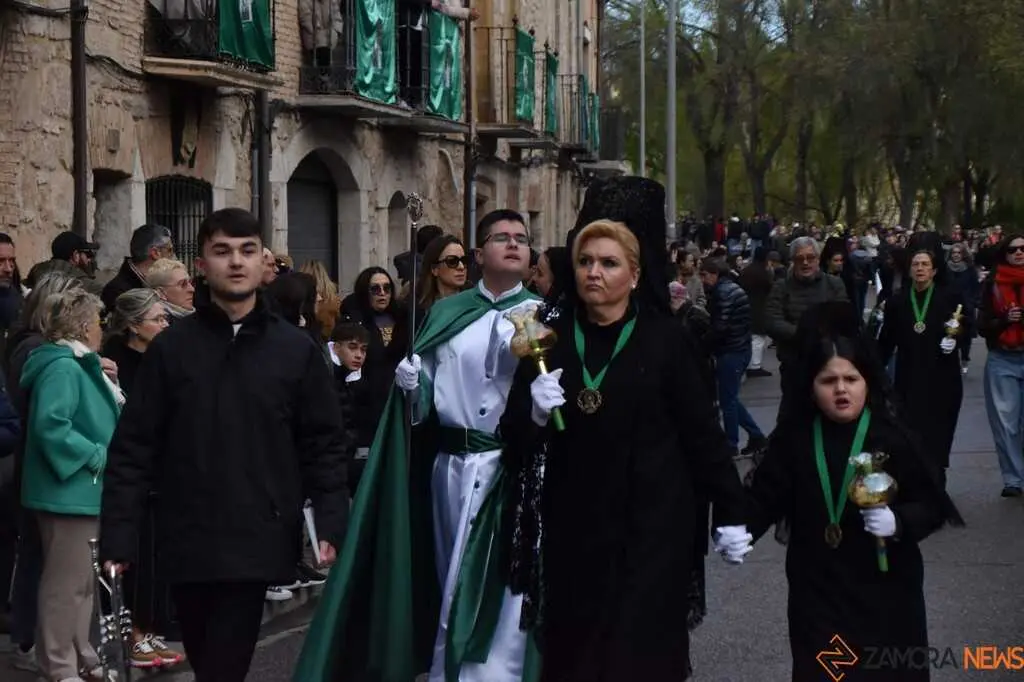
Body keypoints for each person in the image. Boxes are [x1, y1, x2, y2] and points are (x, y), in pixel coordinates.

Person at [499, 177, 751, 682]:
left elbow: (703, 436)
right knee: (578, 659)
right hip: (576, 530)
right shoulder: (550, 343)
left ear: (636, 275)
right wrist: (534, 414)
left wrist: (731, 511)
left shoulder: (668, 342)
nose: (594, 272)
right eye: (585, 261)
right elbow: (513, 444)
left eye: (609, 263)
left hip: (653, 529)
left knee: (639, 658)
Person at [99, 208, 349, 682]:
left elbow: (323, 442)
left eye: (247, 251)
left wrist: (331, 518)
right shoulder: (172, 350)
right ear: (201, 265)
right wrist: (120, 531)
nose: (236, 262)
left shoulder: (294, 351)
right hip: (186, 533)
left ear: (261, 262)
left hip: (257, 531)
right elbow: (135, 446)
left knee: (224, 663)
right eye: (222, 251)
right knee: (204, 650)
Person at [295, 209, 539, 682]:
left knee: (488, 581)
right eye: (501, 237)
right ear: (479, 253)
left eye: (522, 239)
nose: (513, 244)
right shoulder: (447, 314)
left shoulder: (541, 315)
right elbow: (422, 412)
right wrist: (412, 388)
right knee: (449, 575)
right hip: (448, 469)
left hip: (509, 469)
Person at [746, 301, 963, 681]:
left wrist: (898, 520)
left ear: (867, 381)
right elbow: (766, 496)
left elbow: (931, 503)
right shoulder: (795, 440)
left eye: (851, 379)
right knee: (830, 673)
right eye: (829, 382)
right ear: (811, 388)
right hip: (820, 591)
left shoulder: (892, 436)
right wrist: (739, 528)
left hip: (886, 592)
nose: (841, 390)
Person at [20, 288, 122, 682]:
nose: (102, 328)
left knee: (82, 585)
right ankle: (59, 665)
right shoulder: (64, 367)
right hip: (69, 491)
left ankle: (82, 656)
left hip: (81, 490)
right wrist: (95, 455)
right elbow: (52, 425)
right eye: (97, 321)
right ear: (82, 325)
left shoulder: (78, 363)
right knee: (65, 586)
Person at [877, 247, 964, 488]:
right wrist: (872, 371)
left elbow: (966, 328)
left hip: (943, 378)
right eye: (916, 264)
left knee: (938, 433)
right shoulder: (898, 301)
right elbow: (886, 341)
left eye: (925, 264)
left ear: (934, 270)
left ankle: (937, 483)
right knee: (911, 433)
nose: (920, 269)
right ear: (909, 270)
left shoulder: (949, 298)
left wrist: (955, 341)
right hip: (909, 378)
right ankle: (916, 486)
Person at [977, 233, 1024, 497]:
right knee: (1007, 424)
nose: (1019, 253)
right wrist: (1004, 320)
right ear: (1004, 254)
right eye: (1013, 250)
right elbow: (981, 325)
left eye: (1023, 249)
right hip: (1002, 358)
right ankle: (1013, 479)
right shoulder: (992, 283)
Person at [328, 322, 371, 495]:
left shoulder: (356, 382)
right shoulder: (326, 378)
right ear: (336, 348)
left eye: (363, 350)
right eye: (352, 348)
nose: (359, 355)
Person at [102, 224, 175, 312]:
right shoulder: (118, 291)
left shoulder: (163, 282)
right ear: (155, 253)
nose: (173, 256)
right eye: (169, 250)